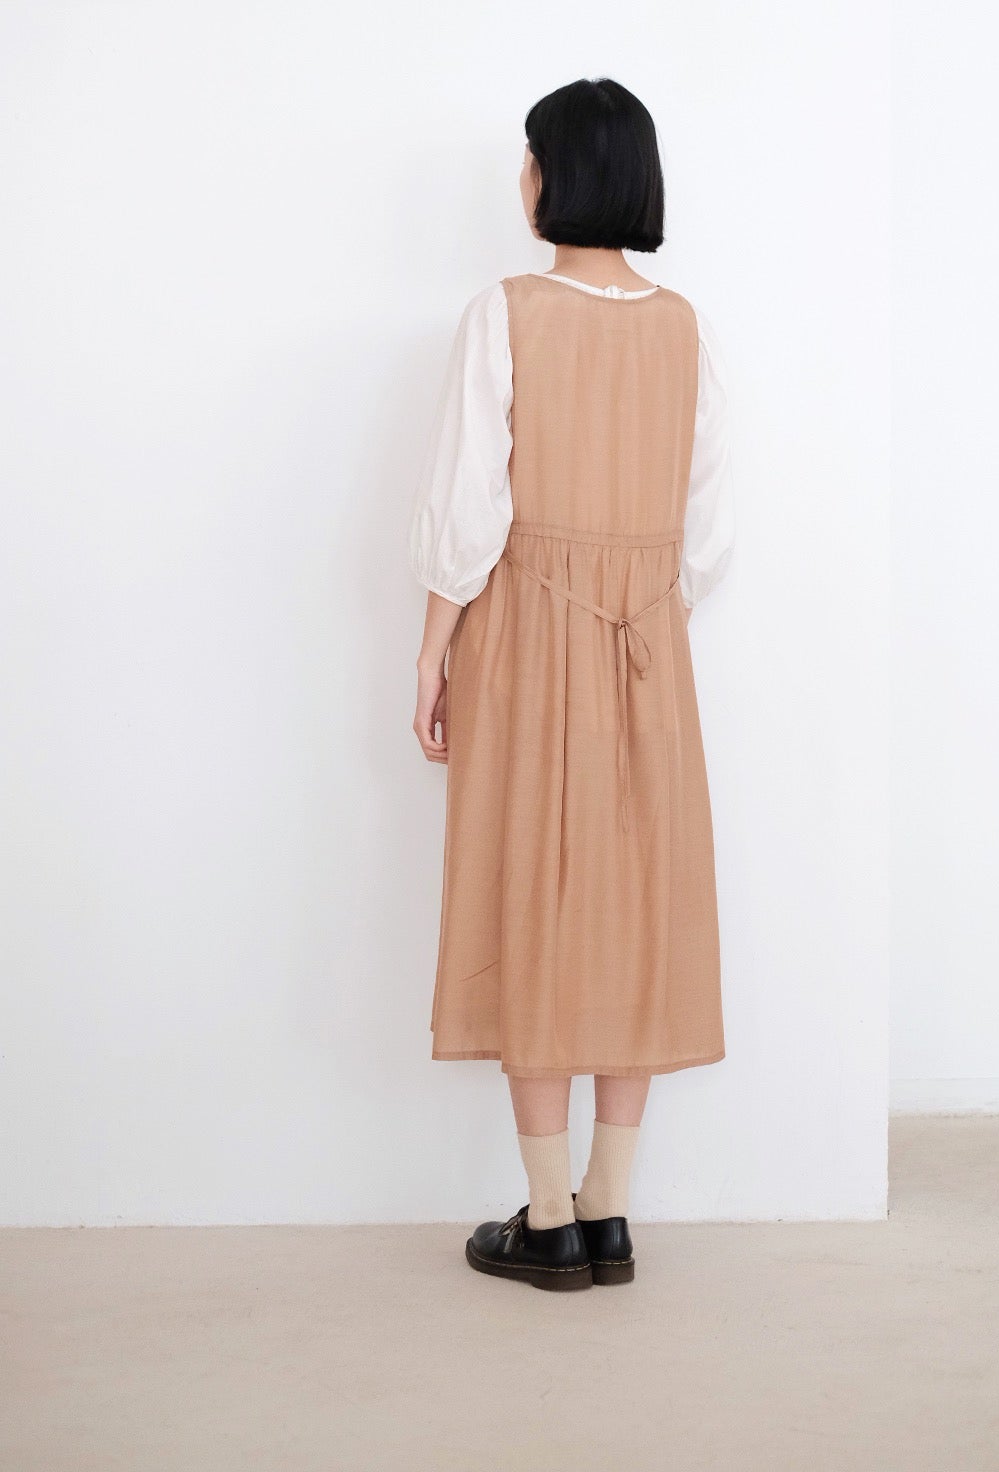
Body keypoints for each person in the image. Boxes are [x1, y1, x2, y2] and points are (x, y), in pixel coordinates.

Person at [408, 77, 734, 1291]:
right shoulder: (684, 327)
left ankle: (547, 1217)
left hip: (526, 626)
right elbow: (708, 529)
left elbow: (467, 508)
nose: (522, 178)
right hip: (649, 639)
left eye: (529, 159)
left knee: (530, 890)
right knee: (636, 900)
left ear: (553, 177)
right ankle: (609, 1209)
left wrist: (434, 651)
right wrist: (644, 606)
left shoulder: (506, 314)